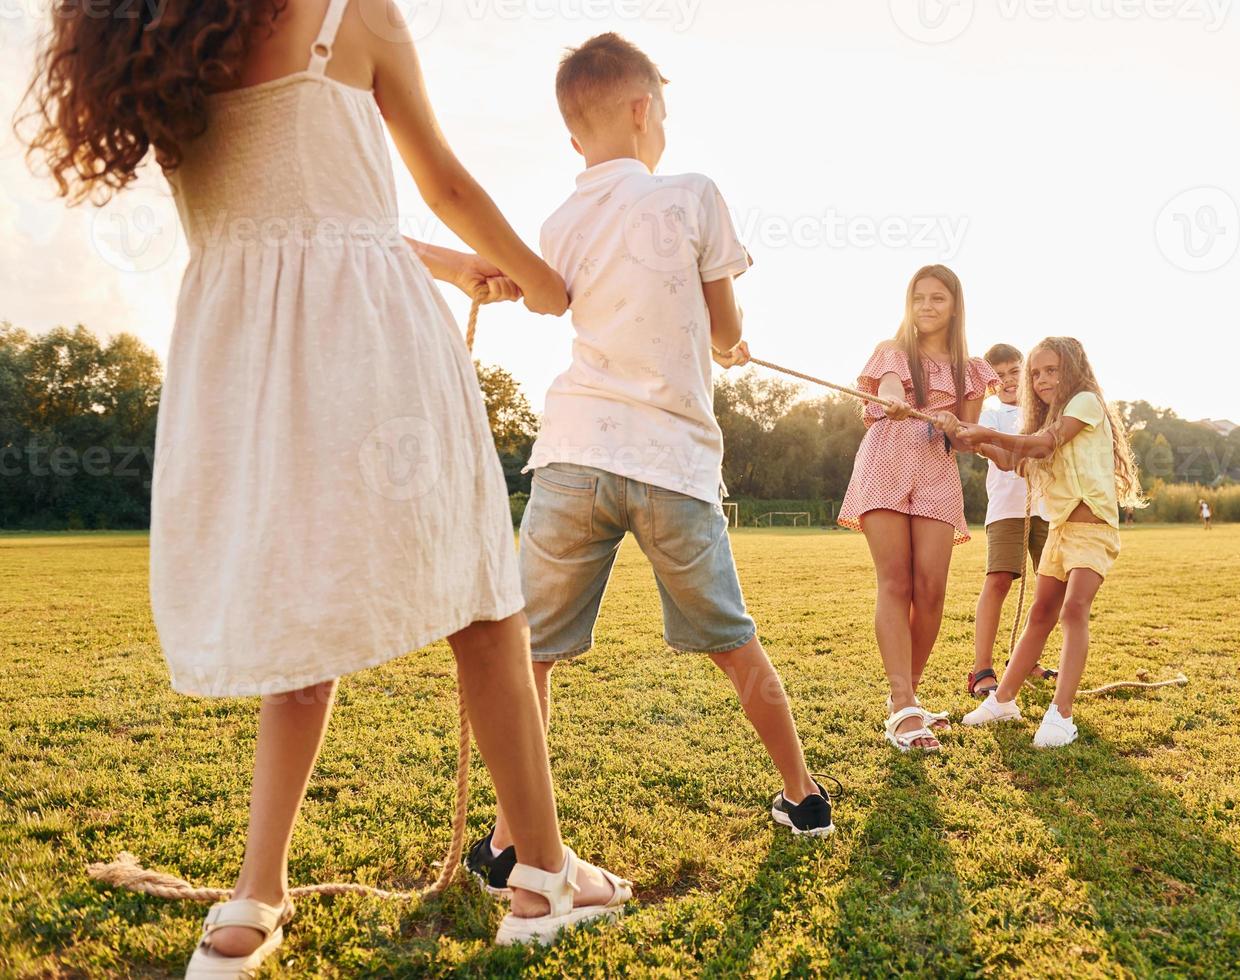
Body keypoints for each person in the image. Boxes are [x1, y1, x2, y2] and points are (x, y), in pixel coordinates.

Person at [21, 0, 632, 968]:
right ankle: (543, 873)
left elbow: (303, 219)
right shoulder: (353, 14)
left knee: (300, 612)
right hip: (375, 349)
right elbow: (442, 182)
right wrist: (543, 282)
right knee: (483, 597)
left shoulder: (167, 46)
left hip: (245, 358)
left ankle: (251, 898)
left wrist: (453, 268)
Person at [463, 34, 834, 898]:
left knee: (530, 661)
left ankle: (507, 841)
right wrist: (732, 345)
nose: (662, 124)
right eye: (660, 109)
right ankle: (804, 799)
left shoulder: (559, 221)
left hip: (575, 457)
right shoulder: (693, 194)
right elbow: (721, 327)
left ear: (571, 137)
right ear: (641, 110)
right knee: (735, 645)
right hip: (672, 462)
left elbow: (551, 296)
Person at [945, 337, 1146, 747]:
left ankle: (1062, 714)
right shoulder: (1047, 420)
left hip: (1093, 529)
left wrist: (989, 432)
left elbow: (1043, 444)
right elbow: (1013, 460)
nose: (1040, 380)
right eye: (1036, 373)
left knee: (1073, 610)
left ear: (1072, 369)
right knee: (1041, 613)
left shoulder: (1085, 402)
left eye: (1051, 370)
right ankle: (1003, 701)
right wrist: (972, 440)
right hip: (1060, 531)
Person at [837, 266, 999, 752]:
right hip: (886, 458)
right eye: (919, 298)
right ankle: (905, 704)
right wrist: (892, 402)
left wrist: (953, 425)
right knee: (897, 582)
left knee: (931, 588)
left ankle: (903, 698)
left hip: (935, 467)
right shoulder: (893, 351)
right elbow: (887, 387)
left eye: (937, 299)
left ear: (954, 306)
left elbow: (967, 435)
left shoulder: (969, 367)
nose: (927, 306)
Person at [964, 343, 1055, 702]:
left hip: (1047, 509)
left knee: (1050, 587)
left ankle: (1026, 660)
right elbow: (1001, 459)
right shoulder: (989, 417)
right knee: (999, 580)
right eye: (998, 376)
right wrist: (999, 449)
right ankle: (982, 669)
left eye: (1014, 372)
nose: (1007, 380)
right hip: (1007, 509)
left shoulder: (1046, 412)